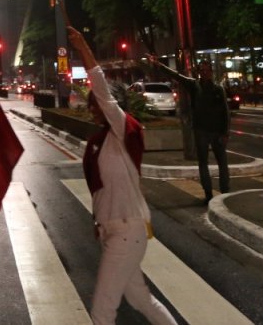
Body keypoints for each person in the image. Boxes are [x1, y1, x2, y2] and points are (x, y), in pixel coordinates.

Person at [67, 27, 177, 325]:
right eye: (91, 104)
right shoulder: (100, 141)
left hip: (127, 231)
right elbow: (100, 190)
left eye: (95, 104)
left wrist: (83, 47)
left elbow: (102, 90)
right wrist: (98, 222)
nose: (91, 109)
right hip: (114, 230)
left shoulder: (123, 132)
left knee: (102, 312)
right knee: (141, 300)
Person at [147, 55, 230, 203]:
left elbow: (225, 112)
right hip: (201, 131)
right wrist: (159, 65)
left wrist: (225, 132)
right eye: (202, 70)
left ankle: (225, 193)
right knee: (203, 163)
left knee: (222, 163)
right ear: (199, 72)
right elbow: (177, 76)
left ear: (211, 72)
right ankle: (208, 194)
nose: (204, 73)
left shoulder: (219, 89)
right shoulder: (194, 85)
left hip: (217, 131)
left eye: (207, 70)